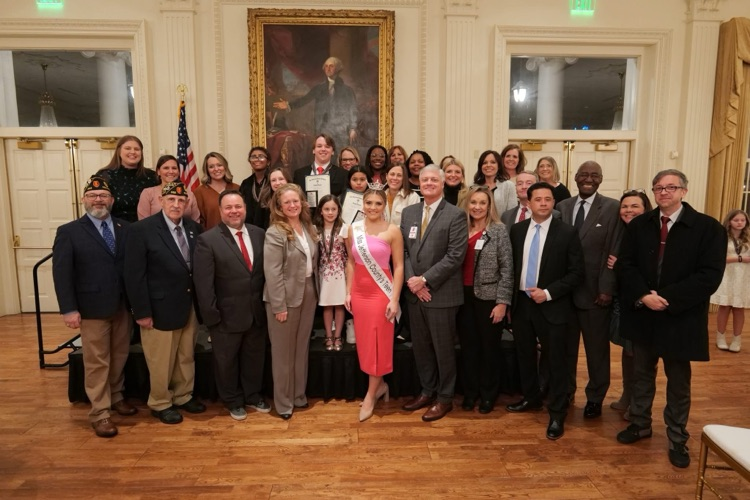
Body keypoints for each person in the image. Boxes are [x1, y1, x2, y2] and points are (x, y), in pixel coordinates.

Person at [616, 169, 726, 469]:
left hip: (680, 317)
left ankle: (677, 436)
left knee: (678, 382)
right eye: (658, 188)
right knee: (641, 375)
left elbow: (709, 276)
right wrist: (644, 295)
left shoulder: (708, 228)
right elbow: (625, 265)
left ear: (684, 191)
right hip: (643, 314)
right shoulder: (639, 225)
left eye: (671, 187)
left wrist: (667, 299)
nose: (664, 192)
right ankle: (639, 424)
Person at [52, 175, 136, 438]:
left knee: (120, 355)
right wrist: (69, 309)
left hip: (122, 306)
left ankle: (116, 396)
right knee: (97, 361)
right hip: (90, 308)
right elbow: (61, 274)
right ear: (84, 200)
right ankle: (100, 412)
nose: (98, 200)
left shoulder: (125, 228)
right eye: (92, 195)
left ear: (111, 200)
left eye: (103, 196)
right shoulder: (69, 232)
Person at [506, 182, 584, 441]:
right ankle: (531, 398)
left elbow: (576, 273)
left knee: (556, 361)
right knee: (525, 355)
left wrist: (548, 292)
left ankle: (558, 412)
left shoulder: (567, 233)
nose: (542, 203)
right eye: (537, 199)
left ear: (553, 202)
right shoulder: (516, 231)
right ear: (528, 203)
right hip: (521, 304)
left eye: (547, 199)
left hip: (552, 305)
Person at [124, 181, 206, 425]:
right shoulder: (142, 230)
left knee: (185, 355)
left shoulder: (194, 228)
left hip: (188, 304)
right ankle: (160, 402)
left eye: (181, 200)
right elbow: (133, 275)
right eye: (171, 200)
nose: (176, 204)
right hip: (157, 307)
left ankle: (182, 395)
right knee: (161, 359)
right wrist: (141, 311)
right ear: (161, 201)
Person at [192, 190, 271, 421]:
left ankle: (252, 395)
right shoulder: (207, 240)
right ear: (221, 211)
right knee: (226, 362)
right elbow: (203, 284)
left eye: (238, 206)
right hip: (225, 316)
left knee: (254, 358)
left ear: (245, 208)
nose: (234, 211)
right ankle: (232, 400)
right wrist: (211, 317)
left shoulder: (259, 234)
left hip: (256, 313)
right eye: (228, 207)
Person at [400, 165, 468, 422]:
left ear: (442, 184)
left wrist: (425, 280)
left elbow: (455, 256)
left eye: (433, 180)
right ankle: (427, 391)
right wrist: (412, 281)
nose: (428, 183)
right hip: (414, 294)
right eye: (424, 179)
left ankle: (445, 398)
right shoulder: (409, 212)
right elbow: (404, 251)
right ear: (419, 182)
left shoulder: (456, 215)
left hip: (441, 295)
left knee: (443, 350)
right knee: (421, 348)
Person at [557, 161, 621, 418]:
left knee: (596, 352)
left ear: (601, 179)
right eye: (584, 174)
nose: (588, 179)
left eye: (594, 175)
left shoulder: (612, 208)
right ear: (574, 177)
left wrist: (607, 288)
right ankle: (567, 391)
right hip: (564, 295)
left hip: (595, 294)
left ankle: (595, 397)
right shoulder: (562, 207)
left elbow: (613, 249)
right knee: (565, 350)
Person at [346, 189, 404, 422]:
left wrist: (394, 298)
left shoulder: (393, 231)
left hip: (382, 294)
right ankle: (379, 387)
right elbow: (350, 263)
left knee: (378, 343)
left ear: (384, 205)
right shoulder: (354, 229)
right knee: (366, 344)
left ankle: (371, 394)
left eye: (378, 203)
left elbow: (398, 266)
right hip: (359, 294)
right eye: (368, 202)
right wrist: (348, 292)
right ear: (363, 203)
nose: (372, 207)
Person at [263, 184, 319, 420]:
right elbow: (272, 272)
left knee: (301, 349)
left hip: (308, 291)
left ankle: (298, 395)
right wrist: (279, 306)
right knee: (283, 353)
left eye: (296, 201)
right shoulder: (275, 232)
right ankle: (284, 403)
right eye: (287, 202)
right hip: (284, 296)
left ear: (302, 202)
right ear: (279, 206)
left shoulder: (307, 226)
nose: (292, 205)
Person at [457, 185, 514, 414]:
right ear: (467, 204)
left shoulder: (499, 230)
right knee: (469, 348)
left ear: (489, 206)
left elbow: (507, 269)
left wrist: (502, 302)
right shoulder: (460, 229)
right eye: (473, 202)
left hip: (489, 299)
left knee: (489, 349)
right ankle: (471, 393)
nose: (477, 207)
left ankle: (488, 395)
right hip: (463, 297)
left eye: (482, 203)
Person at [606, 189, 652, 419]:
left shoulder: (650, 232)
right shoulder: (620, 232)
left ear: (645, 209)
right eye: (625, 206)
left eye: (635, 206)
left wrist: (620, 266)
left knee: (640, 354)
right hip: (622, 299)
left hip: (642, 301)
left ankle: (638, 404)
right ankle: (627, 394)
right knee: (628, 350)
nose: (629, 210)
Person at [273, 56, 358, 153]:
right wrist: (289, 105)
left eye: (331, 66)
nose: (328, 69)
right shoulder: (319, 88)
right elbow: (305, 99)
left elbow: (353, 109)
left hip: (341, 131)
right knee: (325, 156)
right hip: (324, 129)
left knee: (341, 156)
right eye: (326, 66)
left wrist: (353, 128)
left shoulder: (347, 91)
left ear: (338, 69)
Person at [711, 209, 750, 353]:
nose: (740, 223)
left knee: (739, 309)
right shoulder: (722, 237)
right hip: (726, 276)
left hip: (743, 277)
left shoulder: (748, 238)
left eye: (743, 220)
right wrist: (739, 258)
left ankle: (736, 339)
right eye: (736, 220)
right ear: (729, 221)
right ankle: (720, 338)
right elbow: (717, 258)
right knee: (725, 307)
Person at [97, 135, 158, 222]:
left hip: (145, 229)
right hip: (115, 230)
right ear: (119, 151)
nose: (132, 152)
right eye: (128, 148)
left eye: (137, 149)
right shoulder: (104, 175)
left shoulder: (152, 176)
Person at [314, 195, 347, 351]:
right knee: (327, 305)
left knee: (339, 305)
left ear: (338, 210)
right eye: (326, 209)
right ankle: (328, 335)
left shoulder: (344, 228)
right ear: (321, 211)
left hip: (340, 272)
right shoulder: (315, 229)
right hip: (324, 273)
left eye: (334, 209)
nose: (330, 212)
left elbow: (349, 253)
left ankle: (338, 335)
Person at [137, 154, 199, 222]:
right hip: (154, 232)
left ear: (178, 172)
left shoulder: (189, 194)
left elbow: (196, 222)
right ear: (158, 172)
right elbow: (143, 224)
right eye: (166, 168)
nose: (171, 171)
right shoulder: (148, 193)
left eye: (174, 168)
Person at [193, 152, 240, 230]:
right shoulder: (199, 192)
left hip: (236, 236)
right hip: (210, 238)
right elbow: (198, 221)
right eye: (211, 167)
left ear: (225, 167)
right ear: (207, 170)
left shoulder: (237, 188)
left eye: (219, 165)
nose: (216, 169)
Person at [292, 134, 348, 198]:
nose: (323, 149)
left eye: (327, 146)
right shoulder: (299, 174)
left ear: (332, 152)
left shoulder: (343, 175)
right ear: (313, 150)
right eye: (319, 146)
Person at [472, 150, 516, 217]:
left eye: (493, 162)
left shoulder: (508, 186)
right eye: (484, 163)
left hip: (501, 226)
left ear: (499, 166)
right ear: (480, 166)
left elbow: (512, 213)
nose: (488, 165)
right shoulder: (472, 186)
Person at [239, 146, 271, 225]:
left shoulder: (273, 180)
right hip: (250, 228)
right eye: (253, 157)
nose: (257, 159)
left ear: (268, 162)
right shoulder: (246, 183)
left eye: (261, 156)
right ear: (250, 161)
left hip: (271, 225)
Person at [384, 163, 420, 227]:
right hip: (380, 235)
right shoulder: (380, 196)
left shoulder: (413, 197)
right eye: (392, 174)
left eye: (399, 175)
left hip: (402, 236)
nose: (395, 178)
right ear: (386, 176)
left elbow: (411, 224)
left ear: (404, 178)